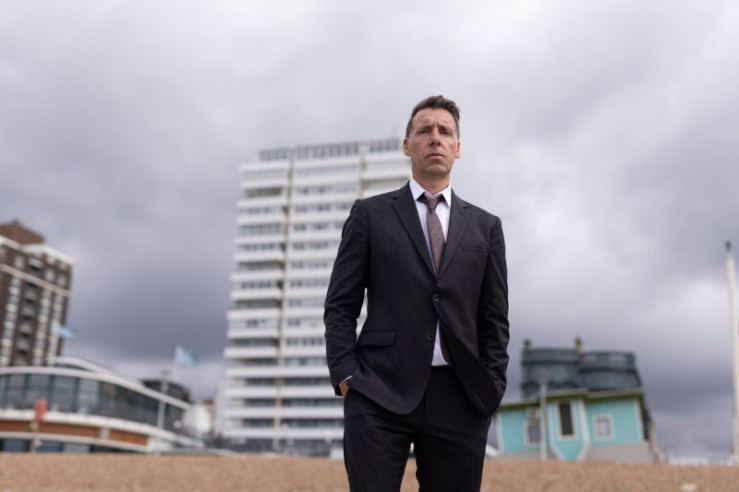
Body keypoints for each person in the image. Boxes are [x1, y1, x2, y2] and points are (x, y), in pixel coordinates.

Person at [324, 95, 510, 491]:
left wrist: (492, 384)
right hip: (377, 389)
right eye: (425, 130)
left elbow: (494, 319)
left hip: (461, 397)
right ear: (408, 145)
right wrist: (345, 375)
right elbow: (340, 304)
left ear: (458, 147)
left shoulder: (486, 227)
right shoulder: (369, 215)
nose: (435, 138)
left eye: (445, 132)